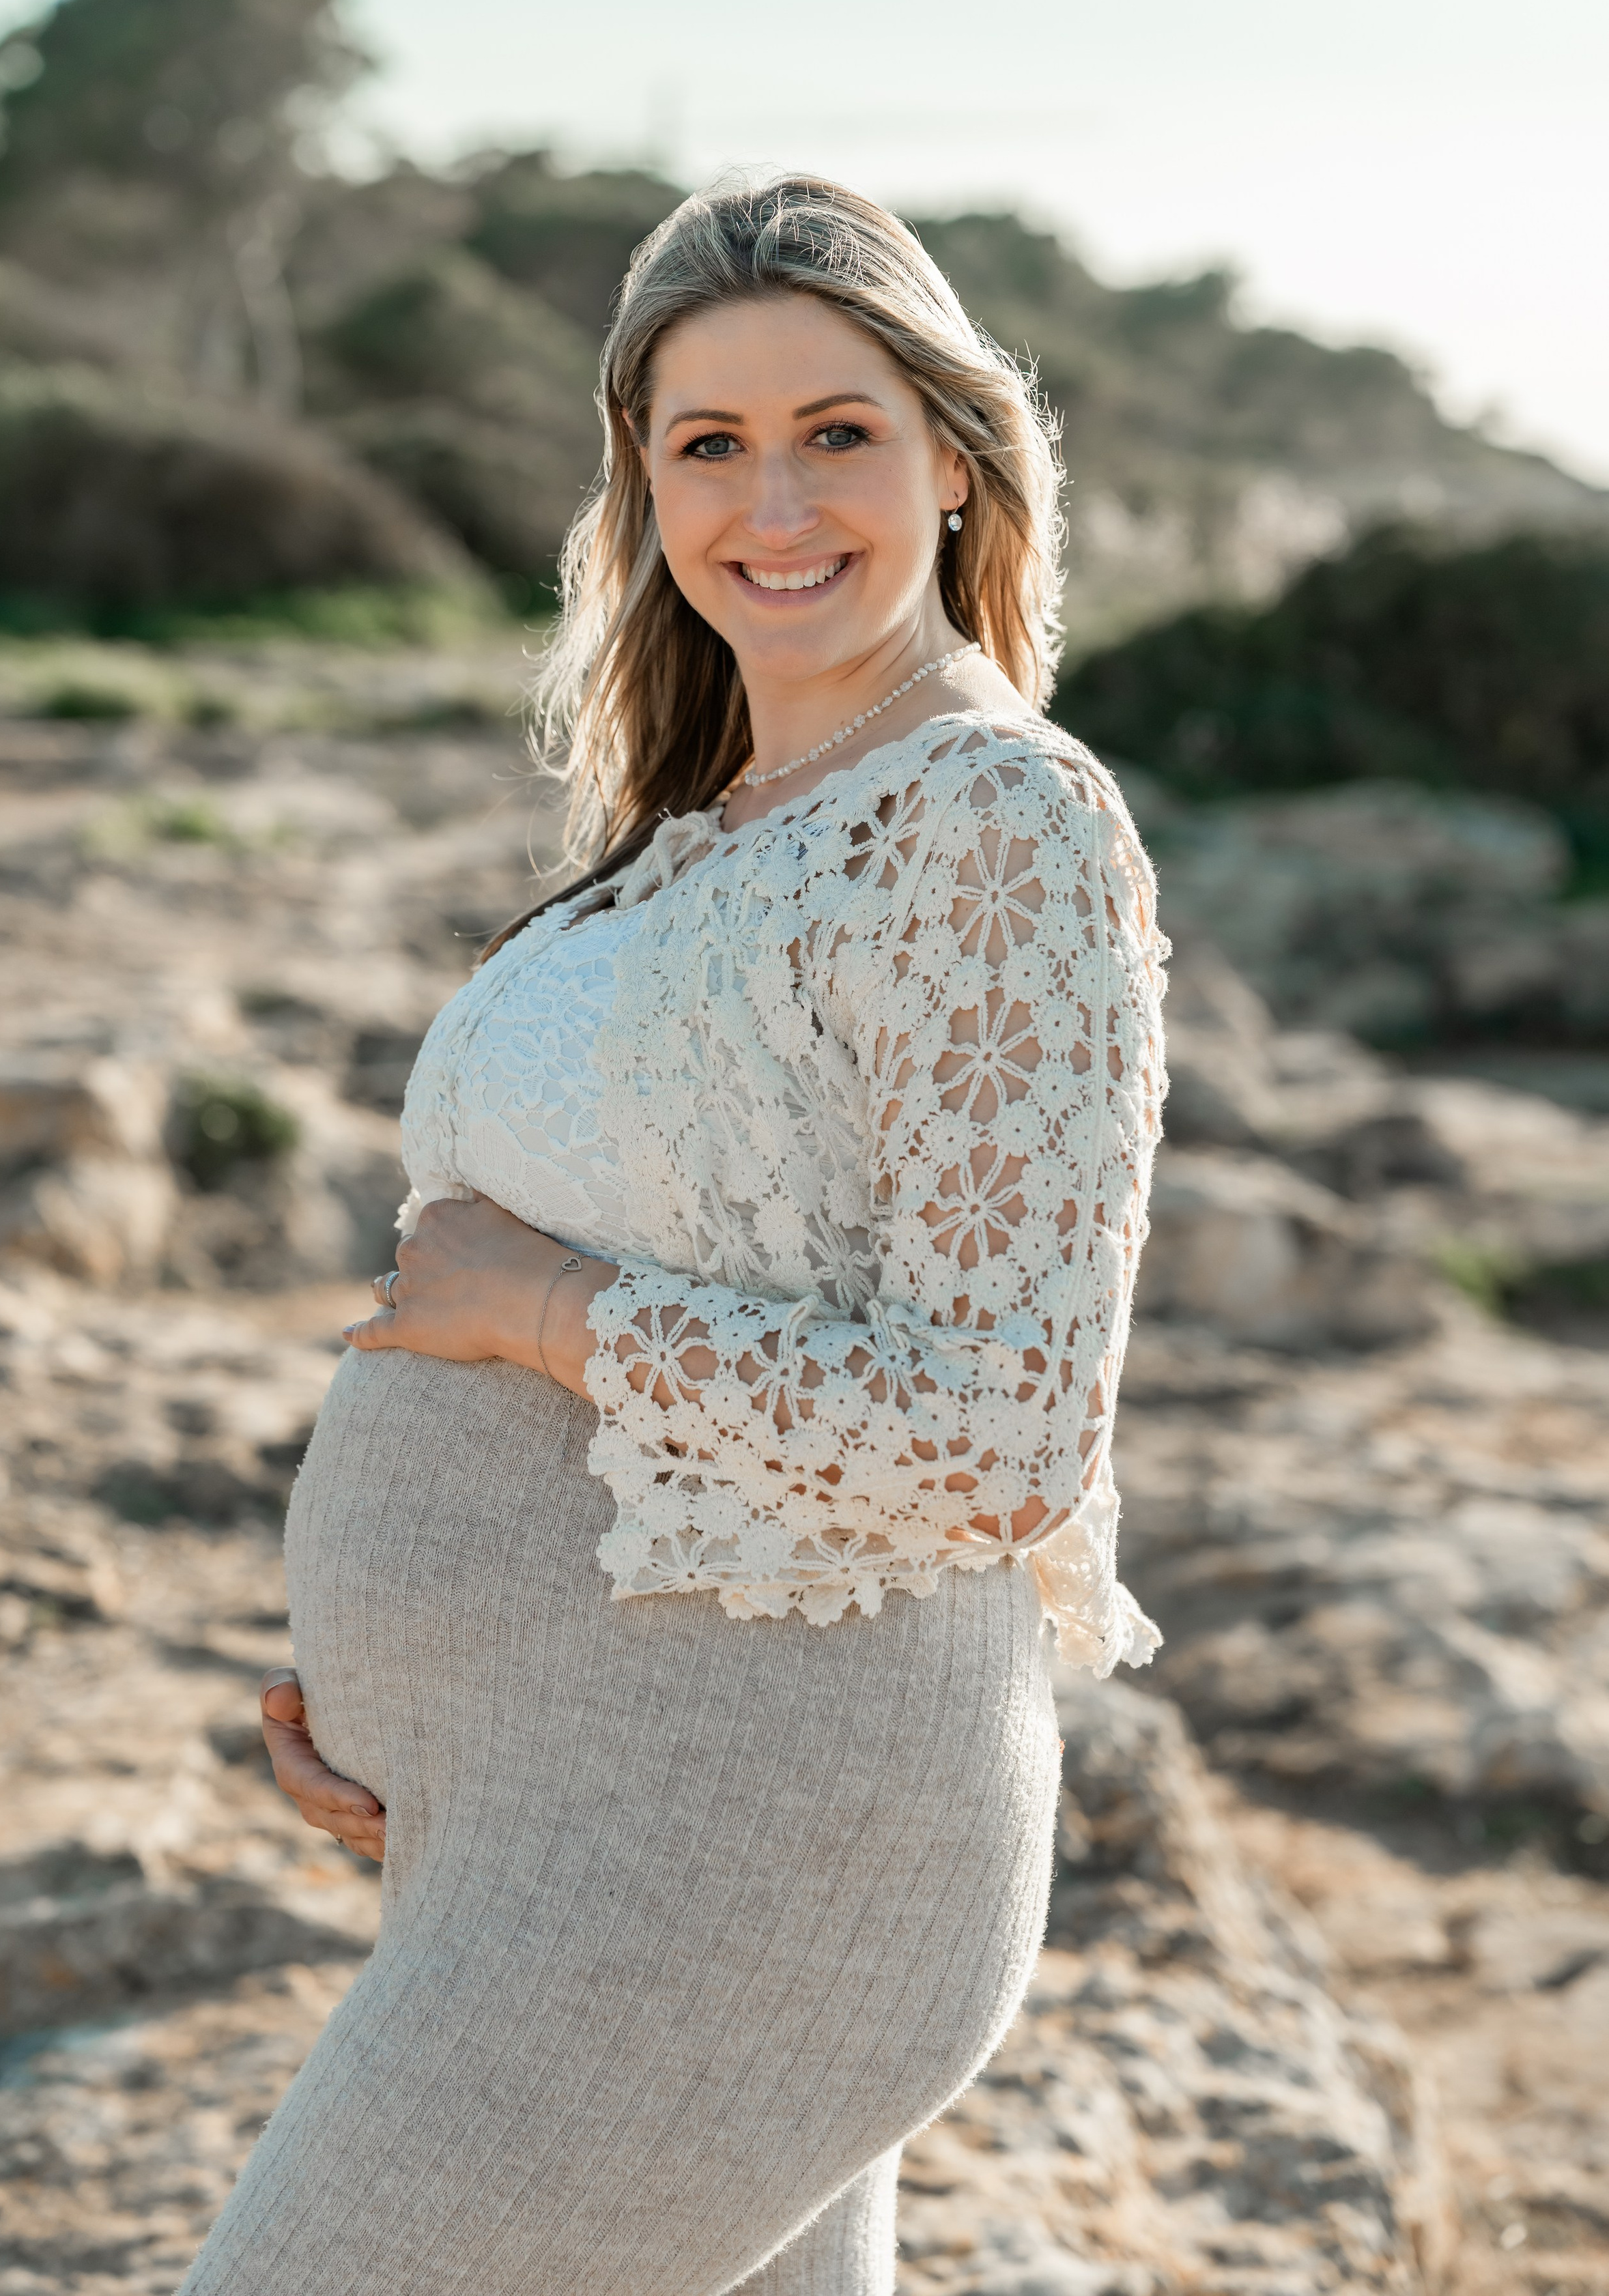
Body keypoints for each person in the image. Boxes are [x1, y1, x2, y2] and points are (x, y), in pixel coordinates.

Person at [180, 175, 1167, 2296]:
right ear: (642, 484)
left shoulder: (998, 823)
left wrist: (547, 1312)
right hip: (574, 1819)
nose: (773, 498)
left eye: (840, 430)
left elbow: (999, 1433)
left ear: (956, 459)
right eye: (706, 443)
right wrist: (439, 1723)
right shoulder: (710, 833)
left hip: (751, 1846)